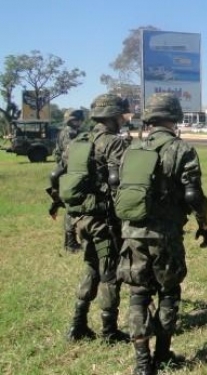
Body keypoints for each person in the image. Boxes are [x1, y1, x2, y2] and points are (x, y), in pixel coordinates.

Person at [116, 93, 207, 375]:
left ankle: (142, 363)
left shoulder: (132, 149)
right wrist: (203, 225)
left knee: (138, 294)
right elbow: (194, 195)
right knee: (169, 291)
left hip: (132, 233)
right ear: (174, 115)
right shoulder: (181, 149)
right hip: (165, 235)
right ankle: (163, 353)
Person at [62, 94, 130, 343]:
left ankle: (77, 325)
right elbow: (121, 182)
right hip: (105, 219)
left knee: (91, 265)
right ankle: (109, 331)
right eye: (121, 115)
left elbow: (61, 174)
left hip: (81, 218)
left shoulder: (78, 142)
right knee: (110, 272)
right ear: (112, 116)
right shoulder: (113, 143)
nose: (123, 119)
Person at [50, 108, 85, 253]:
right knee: (72, 208)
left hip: (66, 173)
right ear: (74, 120)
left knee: (72, 207)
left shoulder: (64, 132)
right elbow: (71, 154)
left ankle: (70, 242)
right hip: (70, 174)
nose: (80, 122)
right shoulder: (70, 133)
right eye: (79, 120)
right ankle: (70, 243)